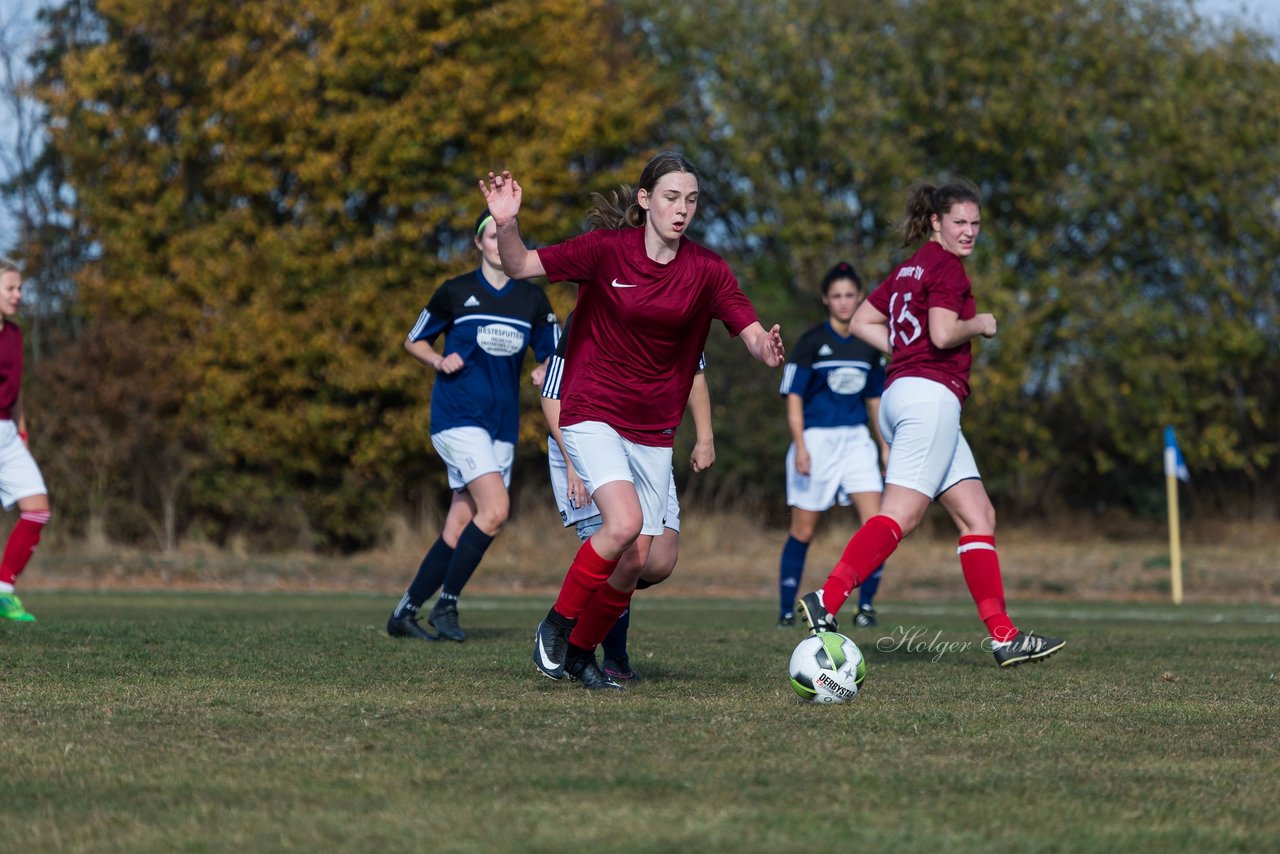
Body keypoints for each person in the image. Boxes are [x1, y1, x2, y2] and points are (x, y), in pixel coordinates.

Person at [480, 151, 785, 689]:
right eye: (671, 197)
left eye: (691, 200)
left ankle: (578, 655)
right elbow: (520, 264)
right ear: (645, 200)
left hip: (652, 428)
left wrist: (765, 347)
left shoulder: (708, 270)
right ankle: (554, 628)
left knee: (642, 556)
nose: (682, 209)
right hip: (592, 408)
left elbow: (751, 330)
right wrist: (506, 225)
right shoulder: (604, 252)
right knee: (621, 526)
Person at [796, 179, 1065, 668]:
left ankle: (1005, 637)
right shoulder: (947, 268)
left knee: (978, 516)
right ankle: (827, 598)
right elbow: (943, 334)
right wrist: (979, 323)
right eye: (959, 222)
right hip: (930, 398)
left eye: (975, 224)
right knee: (901, 515)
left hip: (905, 397)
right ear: (937, 221)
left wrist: (904, 351)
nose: (968, 232)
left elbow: (860, 323)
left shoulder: (909, 268)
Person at [386, 212, 560, 642]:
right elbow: (414, 339)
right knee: (497, 510)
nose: (499, 244)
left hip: (502, 426)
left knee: (461, 524)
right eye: (491, 236)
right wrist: (437, 359)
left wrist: (544, 369)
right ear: (478, 243)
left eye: (507, 236)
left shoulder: (532, 300)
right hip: (457, 418)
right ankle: (446, 605)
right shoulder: (455, 291)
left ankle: (404, 612)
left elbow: (554, 353)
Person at [542, 309, 715, 681]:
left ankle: (580, 618)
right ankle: (593, 652)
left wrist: (705, 436)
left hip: (650, 439)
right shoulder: (588, 314)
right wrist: (573, 463)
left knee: (658, 561)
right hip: (590, 440)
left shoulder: (683, 309)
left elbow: (694, 374)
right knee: (623, 545)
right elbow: (551, 394)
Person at [777, 261, 889, 629]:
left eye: (850, 296)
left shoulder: (871, 343)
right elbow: (794, 396)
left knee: (876, 525)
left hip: (857, 439)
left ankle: (866, 607)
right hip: (816, 439)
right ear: (826, 299)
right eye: (837, 296)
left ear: (859, 299)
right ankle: (785, 609)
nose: (843, 302)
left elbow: (875, 399)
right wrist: (801, 445)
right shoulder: (811, 341)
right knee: (804, 530)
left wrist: (884, 444)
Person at [0, 258, 52, 623]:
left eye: (20, 289)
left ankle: (3, 590)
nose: (18, 295)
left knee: (37, 508)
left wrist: (23, 432)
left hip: (8, 434)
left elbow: (16, 391)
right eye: (11, 289)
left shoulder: (15, 335)